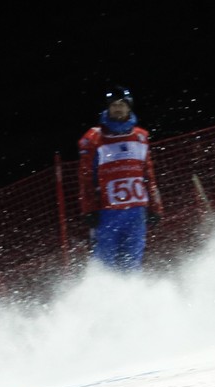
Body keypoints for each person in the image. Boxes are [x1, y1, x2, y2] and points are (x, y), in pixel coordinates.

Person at [77, 85, 164, 271]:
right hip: (107, 211)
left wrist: (155, 207)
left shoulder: (141, 137)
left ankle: (130, 296)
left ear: (129, 107)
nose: (118, 108)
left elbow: (148, 175)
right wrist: (89, 209)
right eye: (114, 105)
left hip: (136, 210)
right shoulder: (93, 139)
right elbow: (86, 178)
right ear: (108, 108)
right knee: (104, 262)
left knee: (133, 261)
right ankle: (103, 295)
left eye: (122, 104)